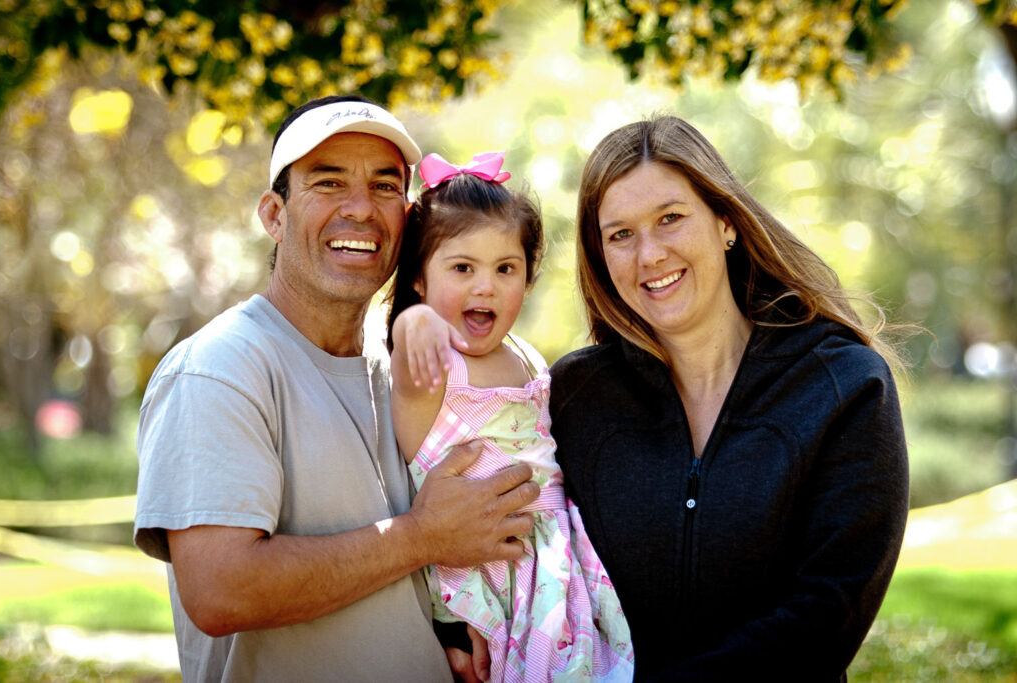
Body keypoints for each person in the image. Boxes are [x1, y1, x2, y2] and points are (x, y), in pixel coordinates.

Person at [134, 95, 541, 683]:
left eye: (383, 187)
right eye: (328, 183)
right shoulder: (218, 371)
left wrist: (455, 635)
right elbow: (222, 591)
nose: (361, 210)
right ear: (274, 214)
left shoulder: (415, 371)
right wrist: (420, 537)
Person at [548, 116, 910, 681]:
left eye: (670, 218)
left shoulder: (844, 386)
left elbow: (827, 614)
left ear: (726, 223)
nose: (649, 255)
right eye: (620, 234)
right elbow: (516, 541)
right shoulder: (573, 397)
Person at [386, 151, 634, 682]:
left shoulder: (522, 353)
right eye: (462, 268)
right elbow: (406, 367)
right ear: (418, 281)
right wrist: (416, 325)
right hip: (483, 568)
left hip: (551, 555)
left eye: (506, 268)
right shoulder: (433, 368)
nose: (486, 286)